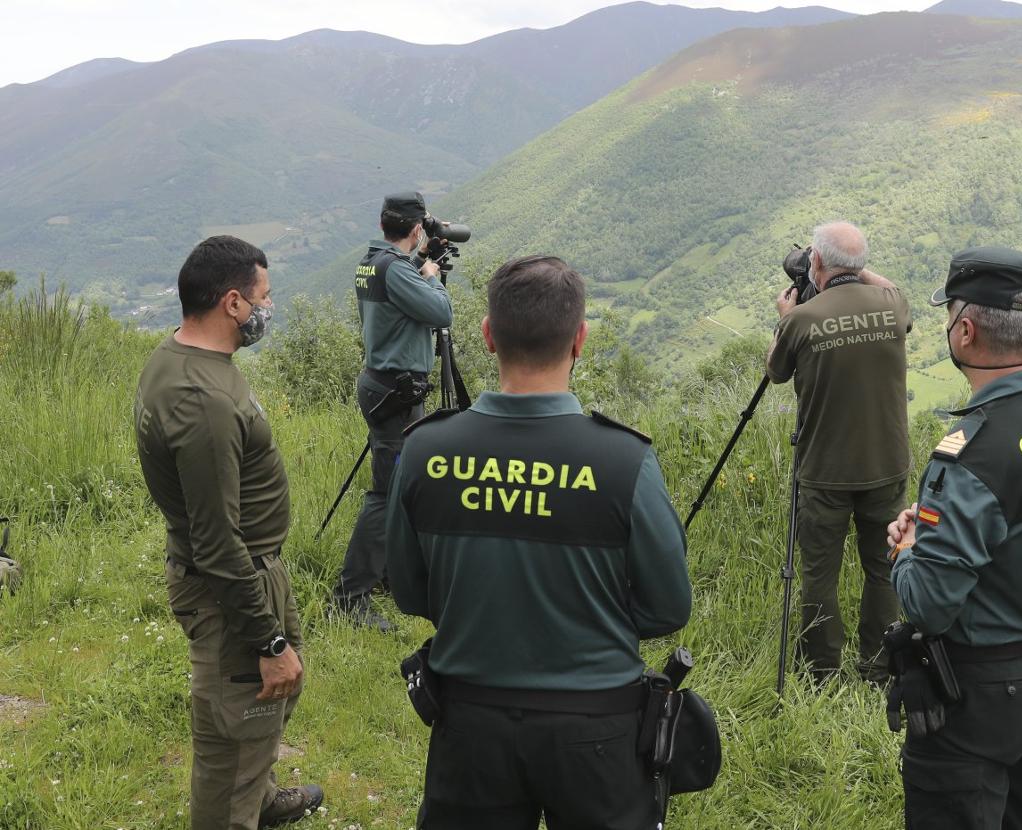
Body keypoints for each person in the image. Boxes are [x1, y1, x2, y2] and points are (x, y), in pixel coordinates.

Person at [386, 255, 692, 829]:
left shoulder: (425, 450)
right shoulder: (624, 460)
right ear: (579, 340)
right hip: (598, 728)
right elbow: (669, 605)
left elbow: (407, 590)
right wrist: (592, 621)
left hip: (469, 723)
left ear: (486, 337)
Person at [886, 246, 1022, 829]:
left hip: (984, 686)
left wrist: (908, 551)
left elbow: (929, 605)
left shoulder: (970, 454)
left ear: (964, 330)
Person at [134, 236, 322, 828]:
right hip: (232, 584)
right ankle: (235, 807)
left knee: (268, 704)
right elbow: (216, 542)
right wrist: (265, 641)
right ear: (234, 303)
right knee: (235, 729)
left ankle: (259, 796)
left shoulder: (186, 359)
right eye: (266, 296)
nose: (271, 307)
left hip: (254, 571)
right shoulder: (202, 399)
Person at [765, 221, 912, 684]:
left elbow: (776, 372)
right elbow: (889, 288)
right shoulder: (892, 307)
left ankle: (823, 672)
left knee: (819, 575)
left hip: (825, 471)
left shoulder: (802, 320)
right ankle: (878, 667)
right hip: (886, 465)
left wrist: (784, 316)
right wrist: (856, 271)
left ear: (817, 262)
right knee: (883, 568)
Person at [331, 191, 453, 631]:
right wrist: (433, 274)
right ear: (417, 229)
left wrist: (419, 267)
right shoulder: (397, 270)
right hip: (396, 390)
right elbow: (441, 312)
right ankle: (350, 599)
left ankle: (385, 575)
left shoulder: (372, 261)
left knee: (399, 485)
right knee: (386, 493)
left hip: (384, 384)